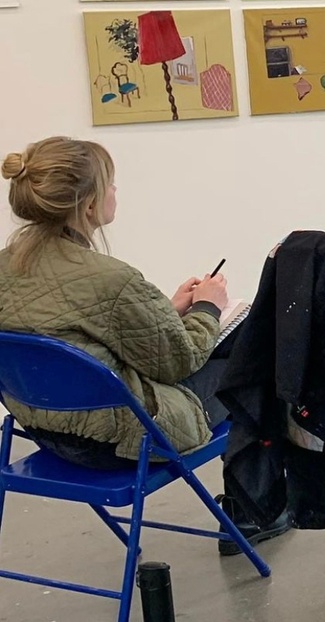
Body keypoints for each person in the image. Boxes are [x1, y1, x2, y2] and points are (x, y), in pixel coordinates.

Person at [0, 136, 231, 469]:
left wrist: (165, 310)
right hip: (122, 441)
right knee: (252, 355)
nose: (115, 191)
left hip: (44, 430)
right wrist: (208, 307)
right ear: (90, 205)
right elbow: (177, 363)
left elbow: (78, 339)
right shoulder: (111, 279)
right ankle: (257, 508)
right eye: (110, 184)